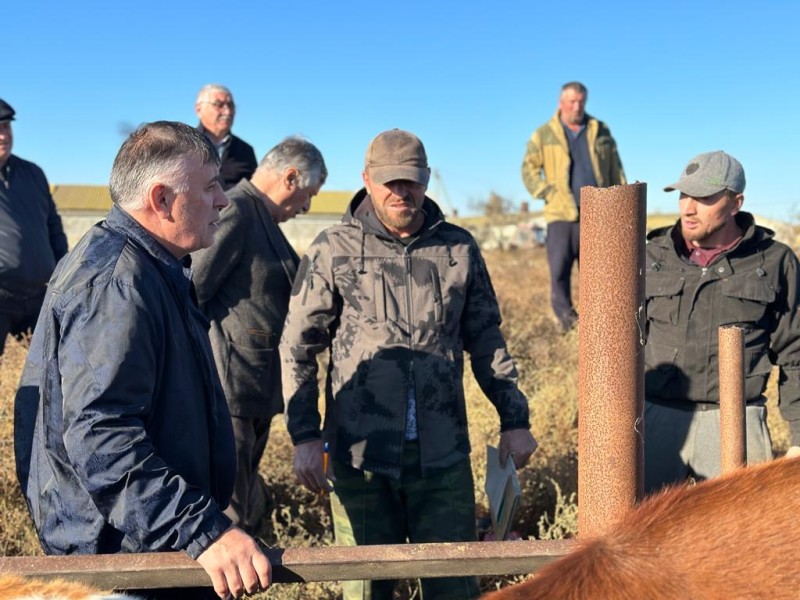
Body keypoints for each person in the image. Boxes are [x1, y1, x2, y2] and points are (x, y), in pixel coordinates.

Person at [14, 121, 271, 600]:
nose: (223, 200)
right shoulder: (118, 283)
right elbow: (101, 434)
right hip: (128, 557)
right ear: (161, 199)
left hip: (146, 537)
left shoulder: (152, 266)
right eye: (211, 187)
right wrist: (202, 530)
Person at [280, 128, 538, 600]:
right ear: (367, 180)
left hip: (442, 456)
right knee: (365, 589)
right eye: (390, 182)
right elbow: (298, 345)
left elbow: (486, 339)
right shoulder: (333, 247)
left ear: (426, 179)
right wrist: (304, 435)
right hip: (359, 458)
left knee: (453, 586)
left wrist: (514, 419)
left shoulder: (458, 249)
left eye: (412, 181)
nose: (401, 192)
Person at [192, 137, 327, 535]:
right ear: (290, 177)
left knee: (245, 507)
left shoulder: (261, 216)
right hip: (230, 389)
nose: (306, 208)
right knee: (228, 518)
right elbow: (192, 292)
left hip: (252, 392)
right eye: (308, 195)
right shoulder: (235, 210)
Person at [644, 150, 800, 494]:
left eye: (704, 197)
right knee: (640, 535)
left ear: (735, 203)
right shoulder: (652, 255)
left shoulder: (775, 261)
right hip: (656, 417)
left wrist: (799, 437)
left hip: (736, 421)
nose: (688, 207)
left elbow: (796, 350)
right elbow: (616, 342)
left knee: (743, 537)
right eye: (684, 195)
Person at [522, 81, 626, 332]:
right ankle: (566, 323)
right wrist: (546, 192)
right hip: (561, 214)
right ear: (561, 103)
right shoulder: (544, 133)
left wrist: (621, 203)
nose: (576, 106)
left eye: (581, 101)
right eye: (571, 101)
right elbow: (528, 169)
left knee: (597, 274)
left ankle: (597, 324)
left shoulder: (600, 130)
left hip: (597, 213)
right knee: (559, 271)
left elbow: (616, 169)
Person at [0, 98, 68, 354]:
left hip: (39, 294)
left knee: (53, 364)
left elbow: (53, 226)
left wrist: (63, 270)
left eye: (6, 127)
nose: (3, 136)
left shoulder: (32, 174)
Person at [195, 84, 257, 190]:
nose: (227, 112)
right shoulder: (184, 144)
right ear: (199, 109)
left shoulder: (245, 150)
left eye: (231, 105)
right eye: (219, 105)